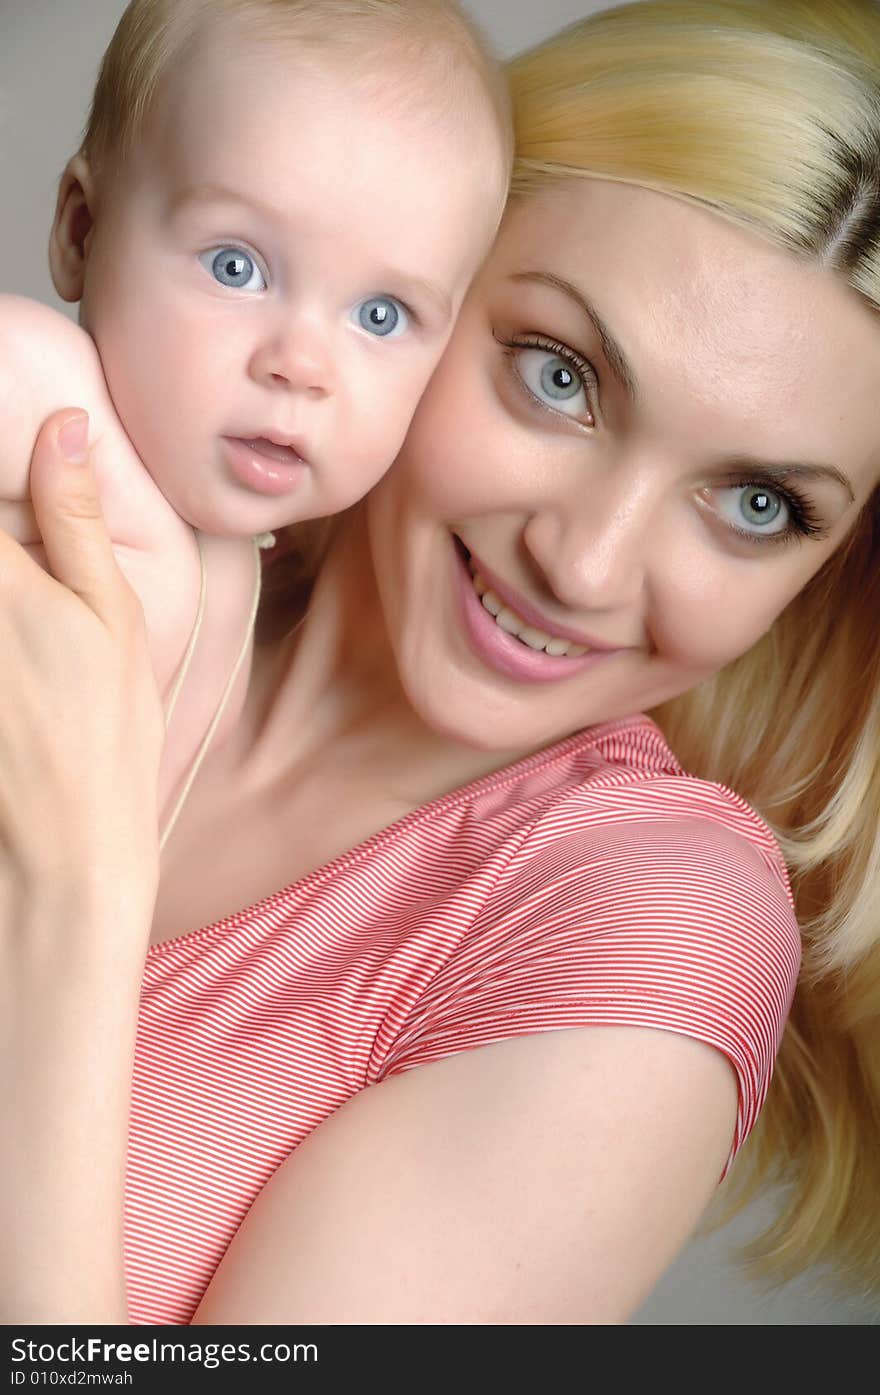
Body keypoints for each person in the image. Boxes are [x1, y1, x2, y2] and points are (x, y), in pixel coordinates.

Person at [2, 0, 879, 1325]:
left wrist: (70, 886)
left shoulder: (648, 911)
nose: (584, 565)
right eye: (560, 375)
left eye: (758, 503)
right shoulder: (94, 532)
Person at [0, 0, 510, 840]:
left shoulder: (243, 583)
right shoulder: (47, 398)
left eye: (380, 317)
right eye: (236, 267)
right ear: (82, 231)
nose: (300, 367)